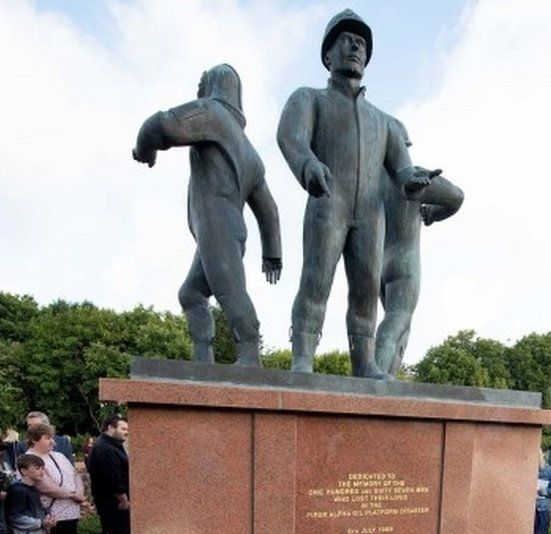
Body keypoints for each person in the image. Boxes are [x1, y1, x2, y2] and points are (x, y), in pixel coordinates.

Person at [277, 9, 435, 378]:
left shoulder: (384, 121)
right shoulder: (309, 98)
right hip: (329, 200)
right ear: (328, 55)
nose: (355, 47)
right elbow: (291, 137)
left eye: (361, 43)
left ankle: (364, 362)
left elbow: (401, 170)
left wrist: (416, 180)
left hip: (369, 214)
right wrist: (306, 164)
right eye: (346, 41)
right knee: (316, 281)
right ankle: (303, 357)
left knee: (365, 293)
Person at [133, 63, 282, 366]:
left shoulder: (211, 114)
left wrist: (144, 149)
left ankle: (250, 353)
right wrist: (272, 253)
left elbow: (163, 124)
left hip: (218, 228)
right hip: (222, 230)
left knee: (229, 291)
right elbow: (269, 209)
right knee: (191, 295)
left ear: (212, 86)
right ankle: (203, 359)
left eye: (202, 84)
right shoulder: (250, 153)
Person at [374, 135, 463, 376]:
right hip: (404, 260)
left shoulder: (370, 179)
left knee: (396, 324)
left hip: (375, 263)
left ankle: (386, 378)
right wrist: (434, 214)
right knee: (396, 320)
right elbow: (457, 198)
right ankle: (376, 381)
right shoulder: (415, 175)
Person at [25, 421, 88, 534]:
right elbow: (45, 487)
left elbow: (75, 475)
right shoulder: (30, 459)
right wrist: (73, 496)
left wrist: (80, 493)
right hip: (52, 515)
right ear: (35, 440)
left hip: (70, 512)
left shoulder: (59, 455)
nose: (52, 442)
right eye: (47, 438)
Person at [87, 416, 130, 534]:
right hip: (113, 505)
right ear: (110, 428)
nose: (126, 432)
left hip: (114, 503)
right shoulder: (105, 448)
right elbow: (112, 477)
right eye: (123, 429)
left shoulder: (112, 445)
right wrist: (123, 499)